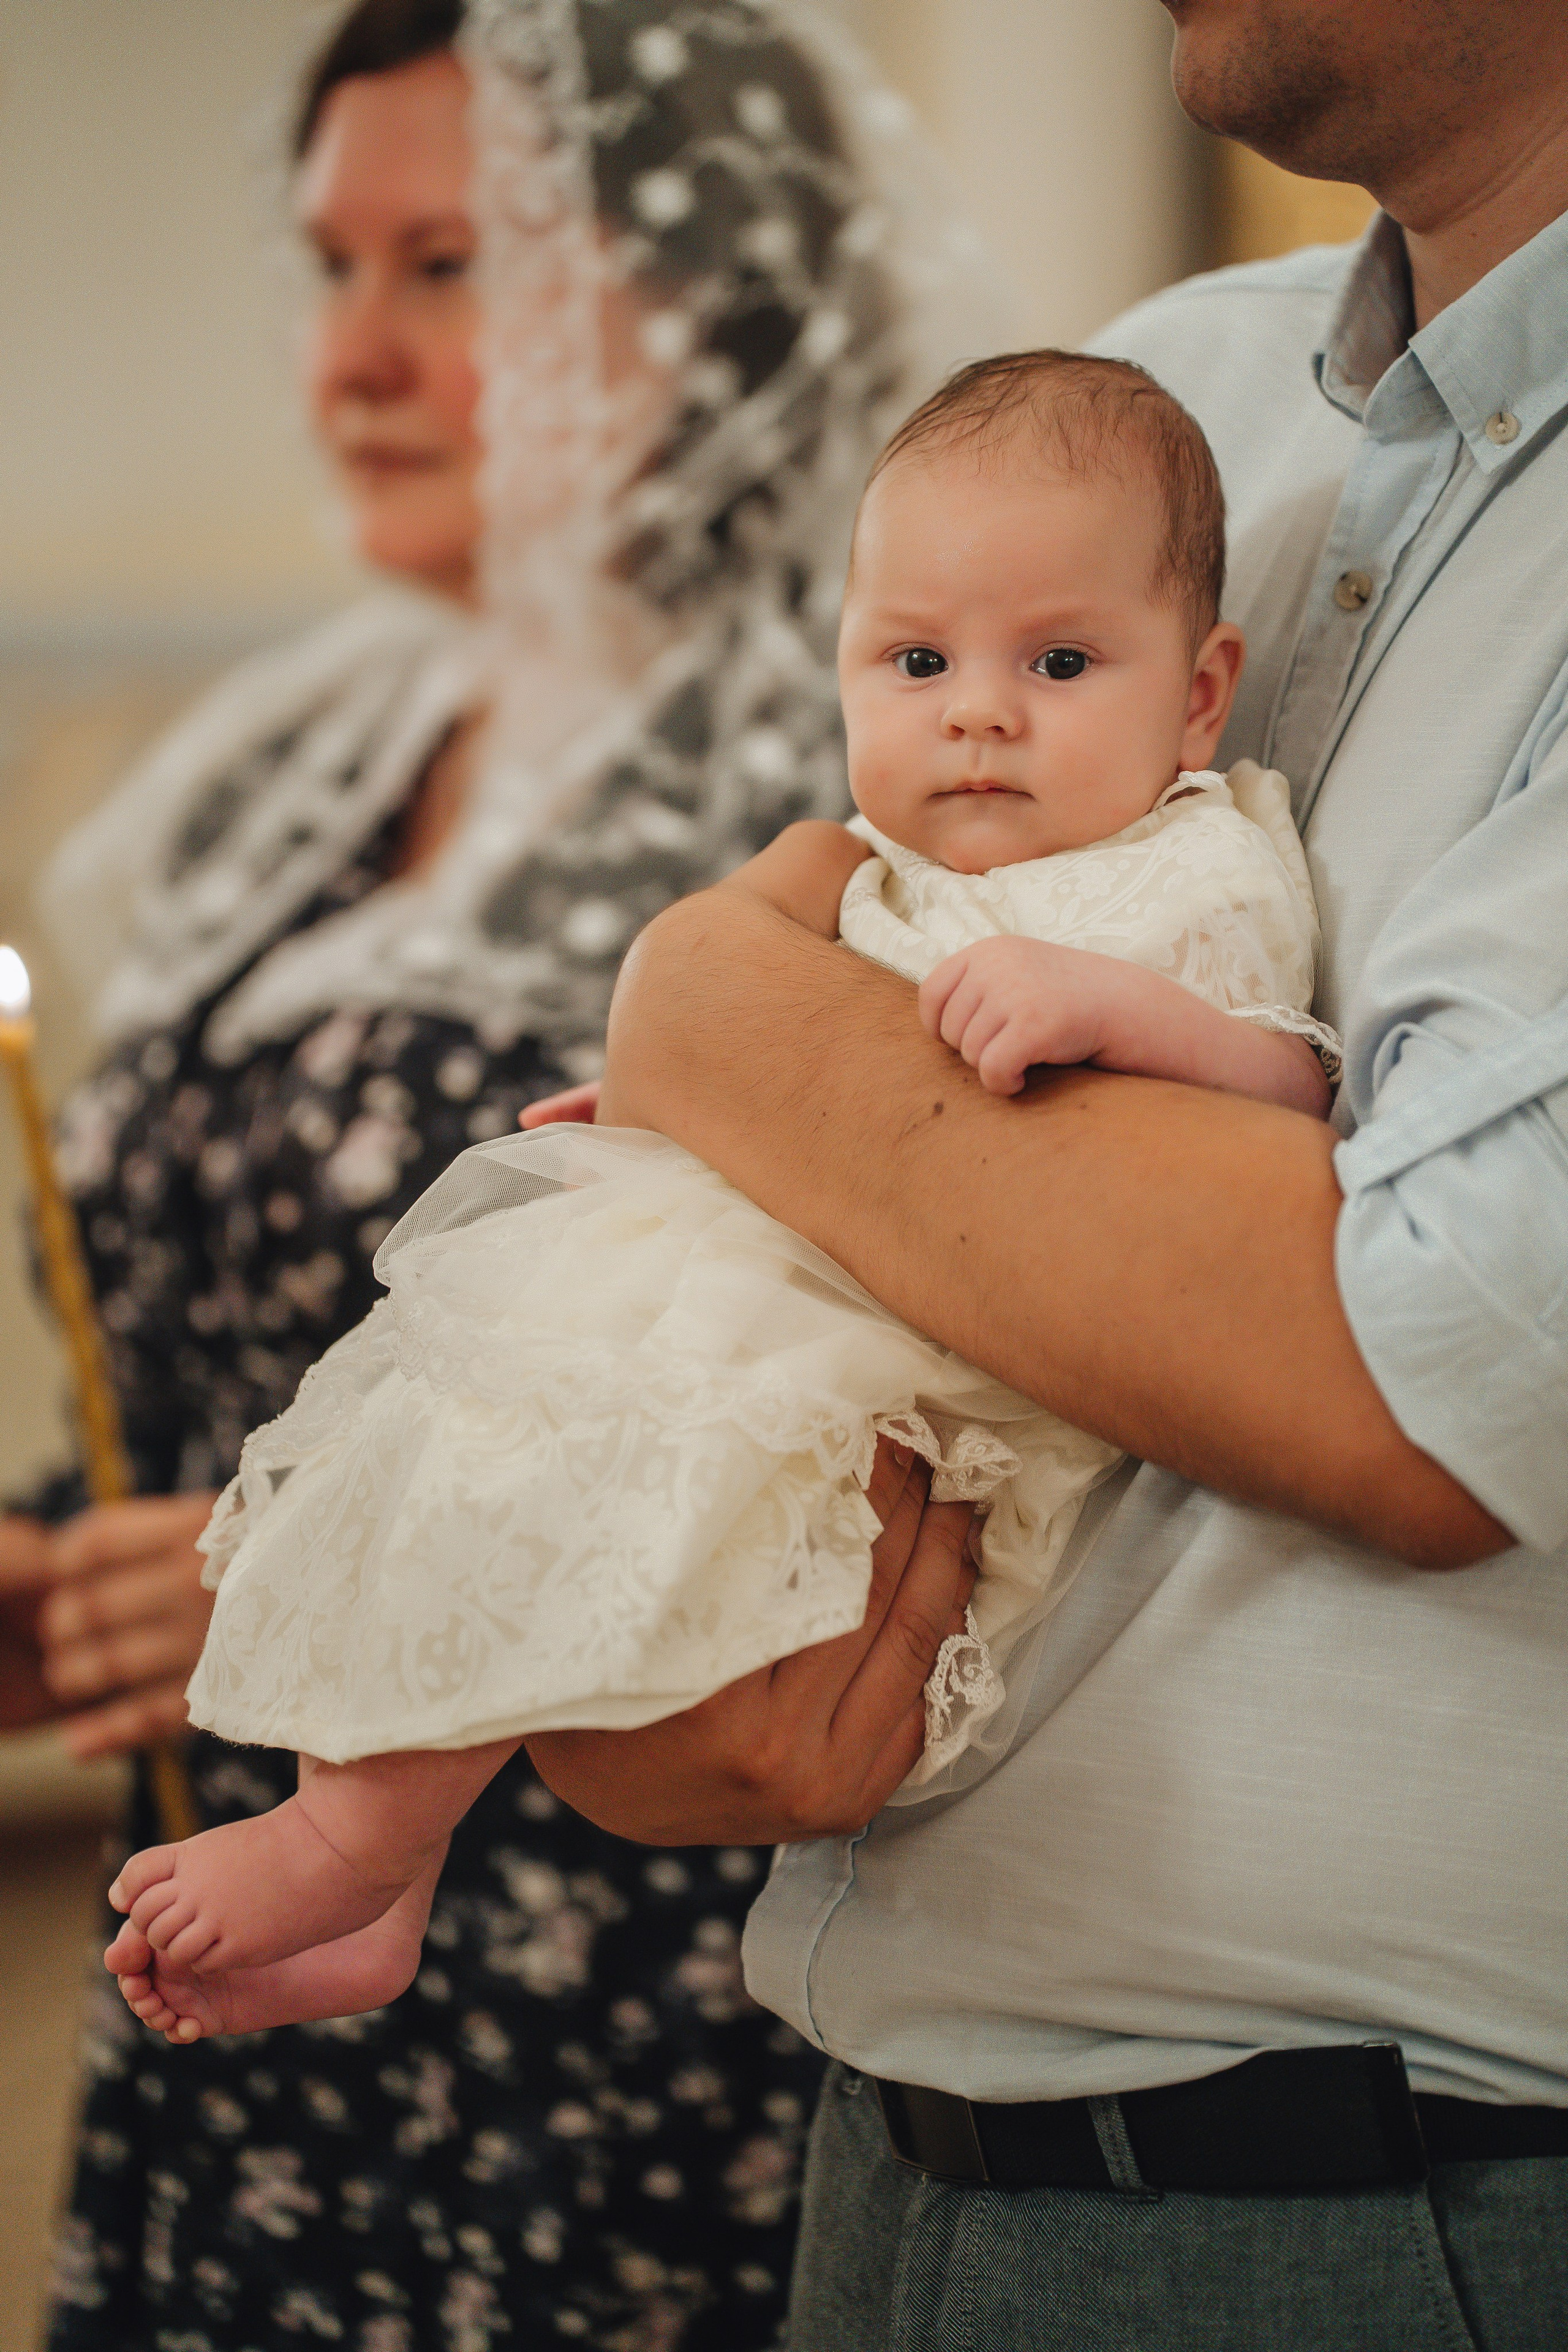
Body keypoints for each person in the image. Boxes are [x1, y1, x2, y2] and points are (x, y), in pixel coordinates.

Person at [450, 1, 1568, 2344]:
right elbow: (862, 966)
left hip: (1397, 2208)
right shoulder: (1169, 401)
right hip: (889, 2140)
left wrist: (702, 1006)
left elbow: (1423, 1360)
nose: (991, 695)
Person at [0, 2, 999, 2345]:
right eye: (329, 267)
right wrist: (71, 1564)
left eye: (446, 269)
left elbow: (860, 1445)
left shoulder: (868, 774)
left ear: (710, 294)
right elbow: (188, 1347)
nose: (349, 357)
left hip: (607, 2005)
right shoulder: (302, 771)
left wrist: (279, 1574)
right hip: (237, 1987)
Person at [98, 346, 1348, 2048]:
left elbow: (1298, 1095)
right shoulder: (868, 870)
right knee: (481, 1435)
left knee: (624, 1488)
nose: (978, 709)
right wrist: (668, 1099)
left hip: (941, 1363)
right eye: (916, 660)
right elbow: (770, 1049)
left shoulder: (1192, 867)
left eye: (1059, 661)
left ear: (1201, 694)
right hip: (789, 1271)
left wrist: (1118, 1013)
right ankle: (375, 1857)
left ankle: (354, 1846)